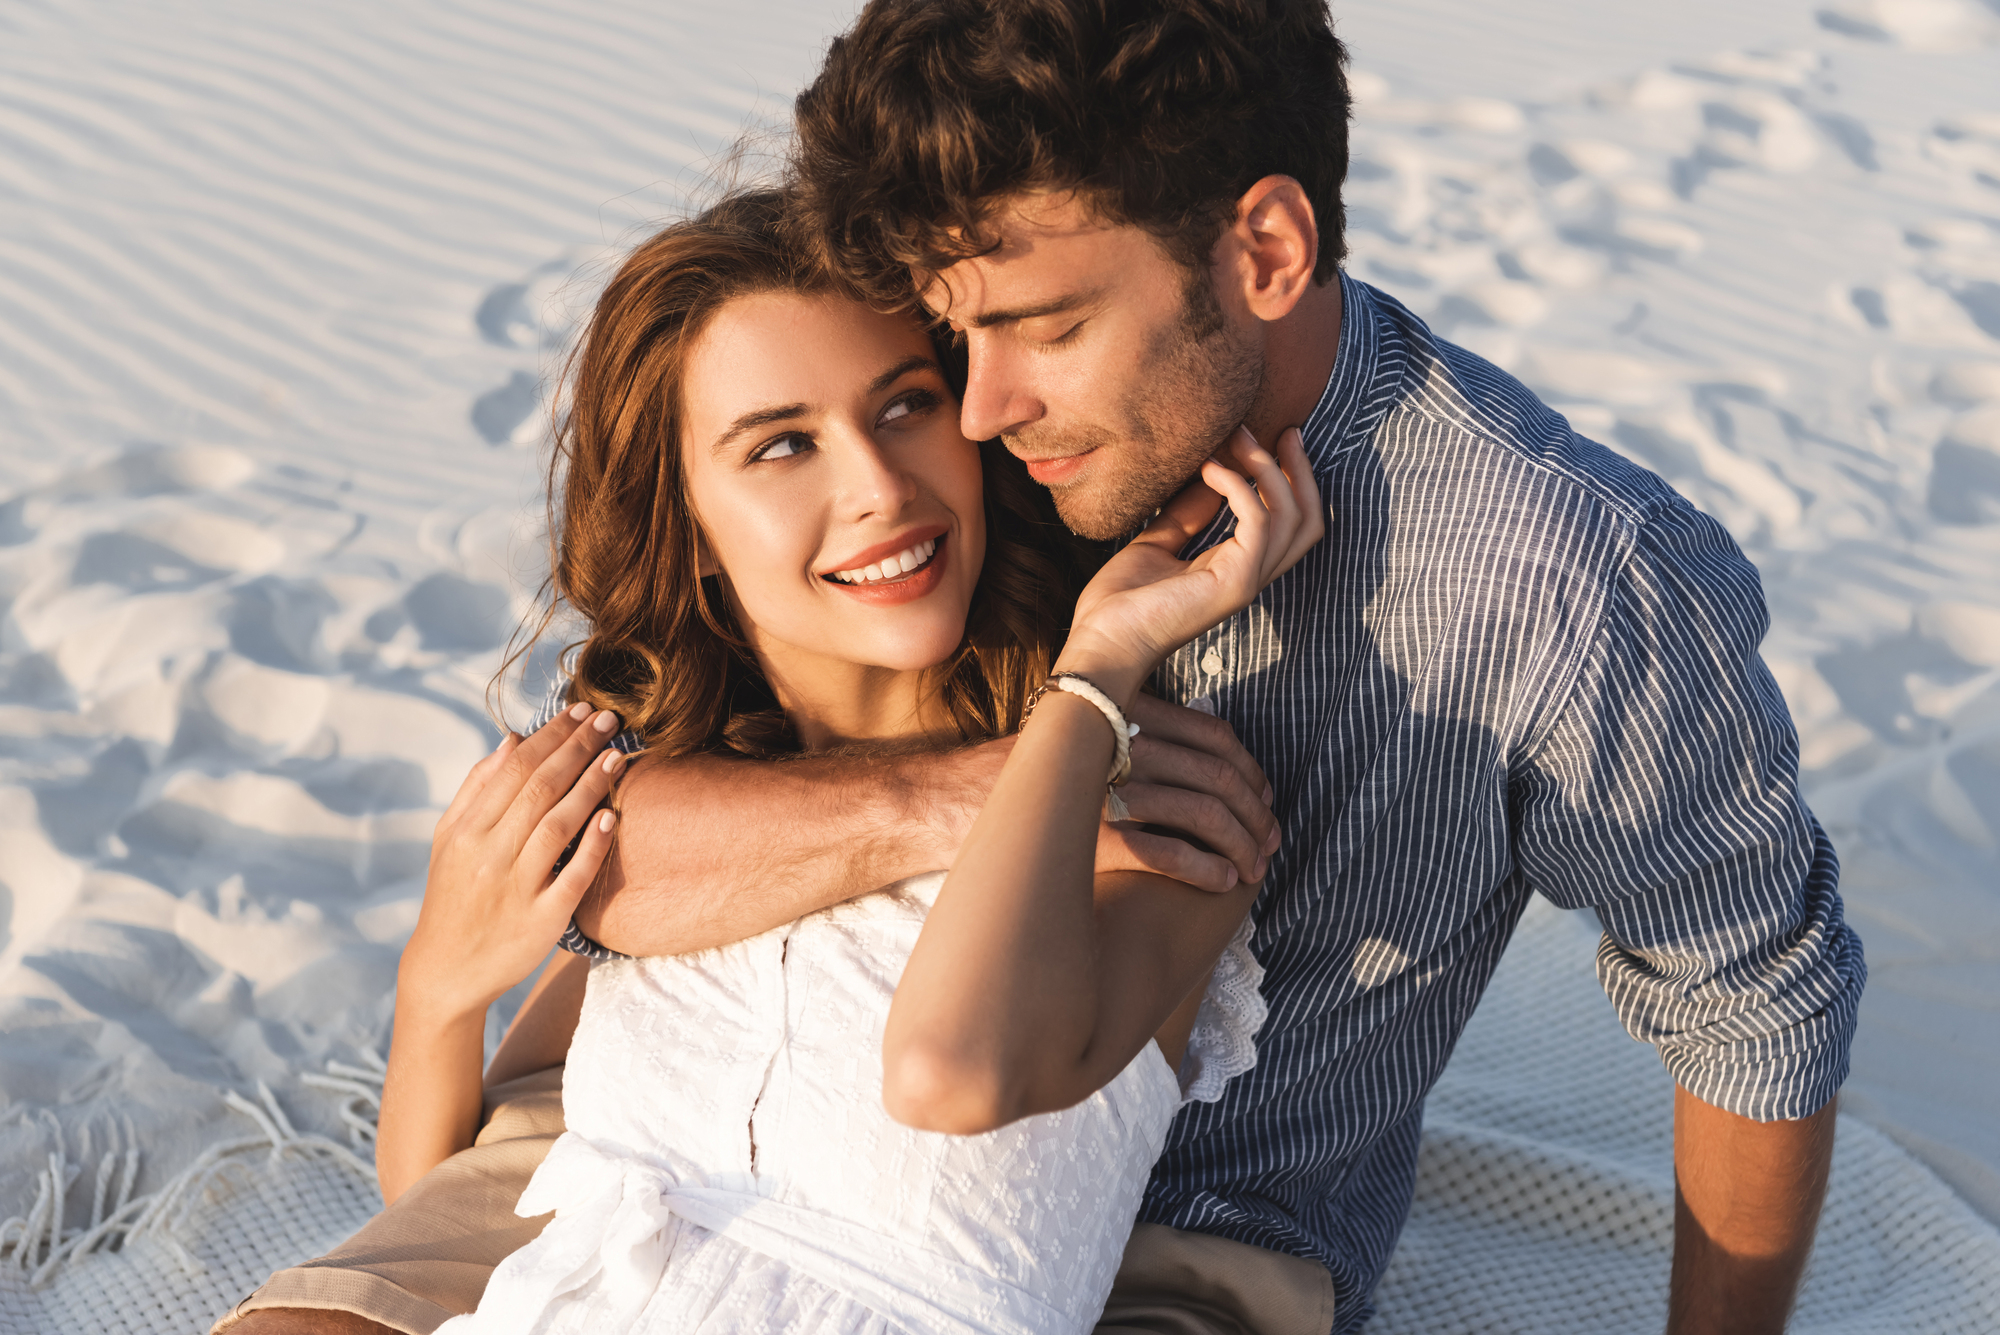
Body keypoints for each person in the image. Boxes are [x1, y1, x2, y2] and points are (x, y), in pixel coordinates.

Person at [226, 1, 1866, 1332]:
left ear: (1266, 253)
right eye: (954, 332)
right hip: (685, 1144)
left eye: (1039, 329)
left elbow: (1753, 996)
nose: (974, 413)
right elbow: (619, 831)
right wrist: (981, 784)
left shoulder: (1574, 587)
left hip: (1182, 1219)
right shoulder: (967, 416)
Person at [216, 190, 1329, 1335]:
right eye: (783, 444)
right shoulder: (687, 823)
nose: (881, 487)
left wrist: (1093, 676)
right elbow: (456, 1202)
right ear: (690, 526)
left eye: (906, 405)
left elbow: (955, 1071)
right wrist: (436, 991)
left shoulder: (1149, 799)